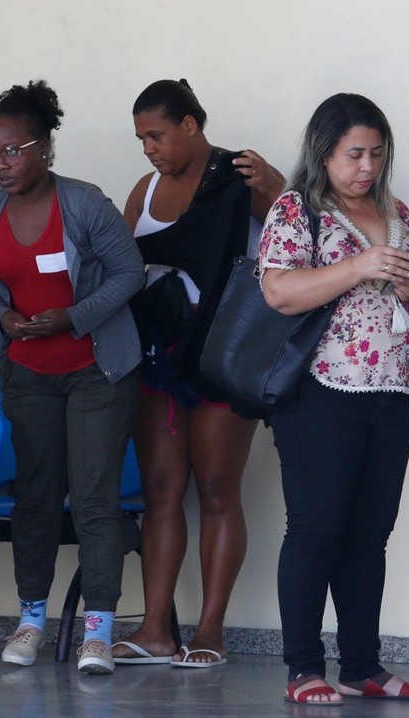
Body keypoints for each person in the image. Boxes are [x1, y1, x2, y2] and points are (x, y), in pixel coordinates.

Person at [259, 93, 409, 705]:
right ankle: (303, 668)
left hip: (390, 392)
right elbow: (279, 291)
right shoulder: (298, 209)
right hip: (320, 393)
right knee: (316, 529)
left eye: (375, 153)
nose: (366, 166)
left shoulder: (397, 212)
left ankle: (362, 665)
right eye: (353, 154)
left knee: (371, 534)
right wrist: (360, 265)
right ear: (324, 153)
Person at [0, 80, 144, 675]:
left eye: (12, 150)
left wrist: (73, 316)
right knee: (36, 499)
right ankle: (31, 620)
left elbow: (130, 273)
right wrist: (4, 317)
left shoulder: (85, 203)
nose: (1, 164)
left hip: (97, 369)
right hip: (28, 374)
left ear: (44, 148)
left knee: (94, 498)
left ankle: (98, 630)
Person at [111, 79, 286, 668]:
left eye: (156, 135)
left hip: (224, 360)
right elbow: (119, 268)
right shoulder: (146, 188)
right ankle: (155, 628)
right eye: (141, 139)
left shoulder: (243, 175)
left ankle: (211, 630)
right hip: (159, 359)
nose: (149, 149)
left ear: (190, 125)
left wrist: (278, 187)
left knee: (215, 490)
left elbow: (297, 237)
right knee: (161, 491)